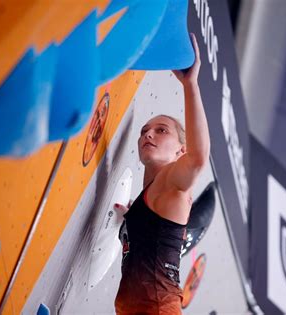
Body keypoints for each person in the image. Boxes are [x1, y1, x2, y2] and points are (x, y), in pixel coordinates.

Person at [113, 33, 210, 315]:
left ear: (180, 151)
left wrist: (190, 85)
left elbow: (198, 158)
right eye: (144, 131)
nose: (148, 134)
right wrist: (130, 218)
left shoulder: (170, 183)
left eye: (161, 130)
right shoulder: (154, 197)